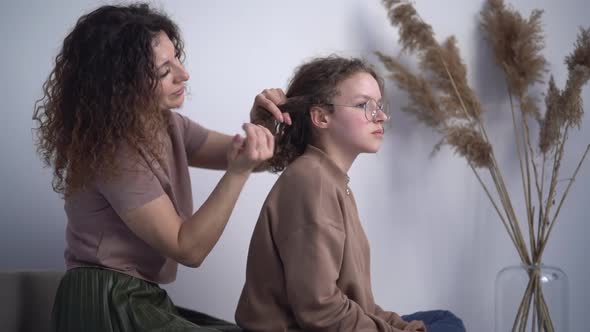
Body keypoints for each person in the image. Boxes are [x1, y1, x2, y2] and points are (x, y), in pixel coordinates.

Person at [33, 3, 285, 331]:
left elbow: (251, 155)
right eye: (165, 70)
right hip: (102, 303)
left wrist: (264, 123)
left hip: (138, 297)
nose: (184, 74)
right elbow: (188, 248)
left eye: (176, 58)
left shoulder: (169, 126)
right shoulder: (114, 151)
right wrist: (237, 171)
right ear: (122, 82)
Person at [235, 56, 466, 332]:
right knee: (448, 326)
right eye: (363, 105)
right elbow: (321, 311)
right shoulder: (312, 182)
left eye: (379, 106)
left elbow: (358, 304)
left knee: (443, 320)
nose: (381, 116)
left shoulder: (329, 180)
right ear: (321, 117)